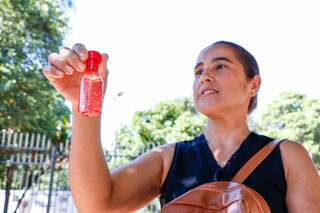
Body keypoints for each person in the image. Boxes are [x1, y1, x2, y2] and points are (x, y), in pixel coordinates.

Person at [43, 41, 320, 212]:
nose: (205, 76)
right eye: (198, 71)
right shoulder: (169, 158)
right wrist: (85, 104)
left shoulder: (287, 156)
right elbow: (97, 205)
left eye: (220, 66)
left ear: (254, 84)